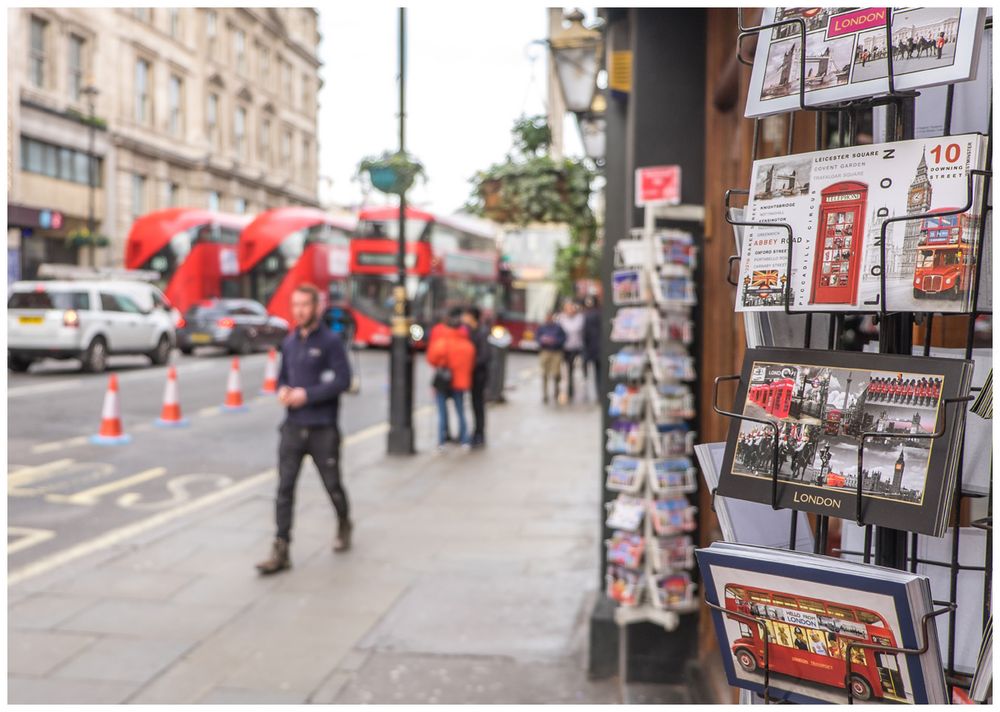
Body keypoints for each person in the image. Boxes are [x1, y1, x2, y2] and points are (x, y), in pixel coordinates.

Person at [256, 283, 353, 575]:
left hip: (322, 428)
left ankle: (344, 522)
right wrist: (283, 390)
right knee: (284, 489)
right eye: (295, 305)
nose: (299, 311)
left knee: (332, 485)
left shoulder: (331, 342)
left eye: (305, 305)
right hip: (293, 427)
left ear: (317, 307)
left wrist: (307, 395)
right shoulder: (290, 342)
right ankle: (281, 547)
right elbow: (282, 377)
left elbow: (343, 380)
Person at [427, 307, 475, 450]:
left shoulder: (442, 342)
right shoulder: (468, 345)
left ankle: (442, 441)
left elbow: (431, 358)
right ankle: (464, 440)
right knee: (461, 411)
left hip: (443, 382)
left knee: (442, 413)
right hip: (459, 383)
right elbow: (470, 365)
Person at [462, 305, 490, 448]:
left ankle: (479, 433)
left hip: (479, 375)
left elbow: (484, 356)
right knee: (474, 404)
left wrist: (469, 364)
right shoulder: (469, 330)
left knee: (478, 405)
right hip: (472, 374)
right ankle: (475, 432)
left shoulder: (482, 332)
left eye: (465, 315)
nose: (463, 318)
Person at [557, 299, 585, 402]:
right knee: (565, 370)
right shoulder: (561, 318)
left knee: (573, 369)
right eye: (567, 308)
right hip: (564, 347)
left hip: (576, 347)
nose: (569, 310)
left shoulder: (579, 318)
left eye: (571, 308)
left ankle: (571, 390)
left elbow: (576, 328)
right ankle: (566, 390)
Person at [536, 311, 566, 404]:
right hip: (545, 351)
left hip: (556, 352)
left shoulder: (558, 327)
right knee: (544, 373)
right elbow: (537, 337)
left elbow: (564, 338)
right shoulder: (542, 327)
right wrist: (543, 341)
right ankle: (545, 394)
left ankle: (556, 391)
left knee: (556, 373)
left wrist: (555, 341)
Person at [582, 295, 601, 402]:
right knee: (599, 373)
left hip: (592, 349)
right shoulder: (601, 313)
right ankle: (599, 393)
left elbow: (585, 335)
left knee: (595, 372)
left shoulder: (588, 316)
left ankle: (598, 393)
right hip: (599, 348)